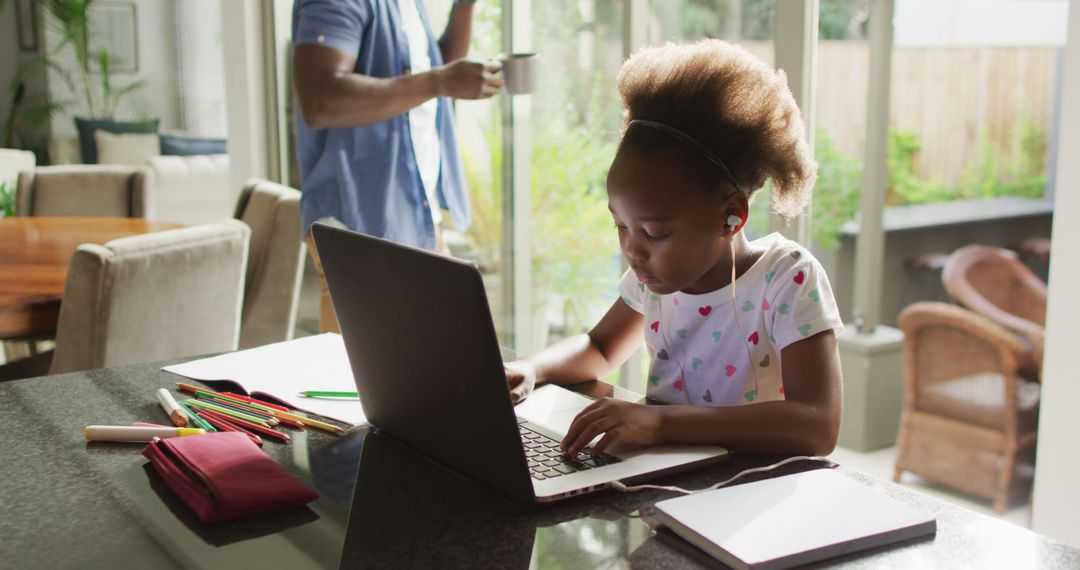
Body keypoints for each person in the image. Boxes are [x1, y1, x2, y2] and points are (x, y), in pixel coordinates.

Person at [503, 40, 844, 458]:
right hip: (666, 479)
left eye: (654, 232)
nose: (633, 249)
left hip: (748, 495)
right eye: (621, 225)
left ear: (731, 216)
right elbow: (600, 348)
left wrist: (662, 423)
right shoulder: (654, 276)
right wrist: (531, 368)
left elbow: (817, 424)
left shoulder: (785, 280)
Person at [292, 0, 503, 333]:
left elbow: (429, 73)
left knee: (433, 370)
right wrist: (441, 82)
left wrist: (464, 7)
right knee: (355, 381)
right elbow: (321, 99)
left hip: (417, 217)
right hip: (359, 228)